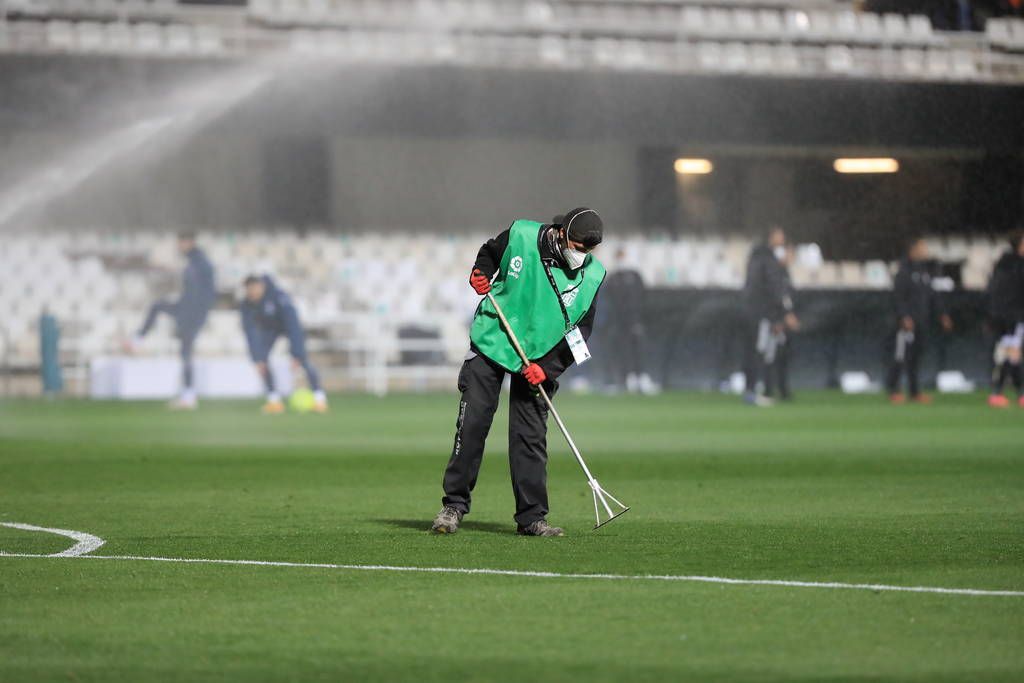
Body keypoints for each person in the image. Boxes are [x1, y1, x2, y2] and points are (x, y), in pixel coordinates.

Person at [431, 208, 605, 537]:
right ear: (561, 233)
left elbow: (581, 333)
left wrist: (549, 367)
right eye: (577, 246)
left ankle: (531, 518)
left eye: (588, 250)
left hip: (539, 359)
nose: (580, 254)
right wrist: (480, 273)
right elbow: (489, 254)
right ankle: (453, 505)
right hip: (494, 339)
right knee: (472, 425)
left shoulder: (594, 276)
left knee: (530, 439)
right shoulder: (522, 234)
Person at [126, 232, 216, 410]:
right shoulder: (193, 261)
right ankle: (188, 395)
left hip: (192, 311)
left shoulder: (200, 263)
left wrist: (196, 313)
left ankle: (189, 396)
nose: (179, 246)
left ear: (189, 242)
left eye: (181, 243)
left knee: (186, 352)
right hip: (186, 308)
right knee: (159, 309)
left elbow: (203, 291)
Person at [240, 274, 327, 414]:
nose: (252, 293)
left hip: (288, 327)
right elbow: (250, 332)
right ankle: (274, 401)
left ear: (261, 286)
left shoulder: (279, 297)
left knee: (304, 360)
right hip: (269, 330)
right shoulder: (246, 304)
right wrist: (257, 357)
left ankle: (319, 399)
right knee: (262, 361)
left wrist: (296, 353)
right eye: (249, 290)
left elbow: (293, 325)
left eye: (254, 289)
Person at [885, 237, 953, 404]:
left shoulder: (924, 272)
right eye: (922, 248)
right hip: (906, 323)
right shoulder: (903, 272)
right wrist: (904, 317)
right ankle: (894, 389)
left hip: (921, 321)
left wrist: (942, 314)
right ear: (913, 250)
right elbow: (898, 297)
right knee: (901, 355)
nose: (925, 251)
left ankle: (914, 392)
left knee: (915, 357)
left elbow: (932, 296)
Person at [742, 227, 799, 406]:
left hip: (757, 312)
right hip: (762, 314)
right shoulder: (767, 261)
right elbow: (774, 290)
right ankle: (755, 391)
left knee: (764, 351)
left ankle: (761, 389)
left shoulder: (759, 259)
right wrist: (781, 315)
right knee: (761, 351)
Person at [603, 246, 656, 394]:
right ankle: (627, 378)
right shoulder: (613, 278)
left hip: (635, 320)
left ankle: (642, 377)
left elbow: (642, 298)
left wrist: (638, 318)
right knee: (622, 350)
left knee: (639, 348)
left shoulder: (635, 275)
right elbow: (610, 301)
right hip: (618, 322)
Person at [986, 232, 1024, 408]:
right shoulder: (1016, 266)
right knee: (1011, 353)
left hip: (1002, 315)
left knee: (1011, 354)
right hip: (1012, 316)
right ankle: (998, 392)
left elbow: (994, 291)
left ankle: (1018, 392)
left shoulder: (1003, 265)